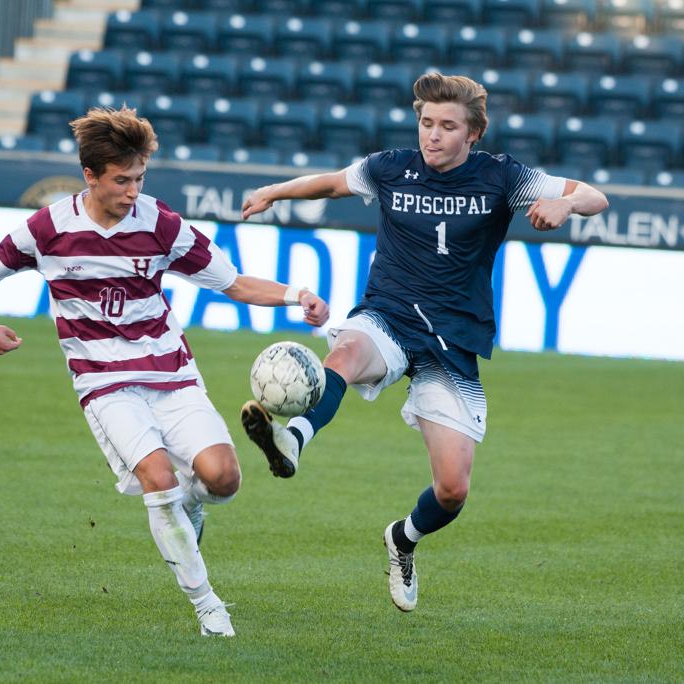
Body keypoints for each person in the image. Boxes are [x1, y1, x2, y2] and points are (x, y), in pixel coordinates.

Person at [238, 72, 608, 612]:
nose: (433, 135)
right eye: (426, 123)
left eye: (447, 126)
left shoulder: (503, 176)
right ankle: (291, 439)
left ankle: (403, 538)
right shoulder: (390, 168)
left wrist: (567, 205)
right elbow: (331, 183)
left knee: (453, 490)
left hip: (453, 341)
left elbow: (596, 196)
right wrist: (272, 192)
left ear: (473, 133)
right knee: (345, 354)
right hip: (387, 315)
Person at [0, 106, 329, 636]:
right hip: (105, 385)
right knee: (157, 478)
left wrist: (298, 295)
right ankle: (208, 606)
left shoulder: (160, 224)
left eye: (140, 179)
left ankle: (192, 505)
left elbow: (234, 282)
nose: (133, 191)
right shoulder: (49, 228)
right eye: (122, 180)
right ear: (90, 175)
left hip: (172, 375)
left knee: (223, 479)